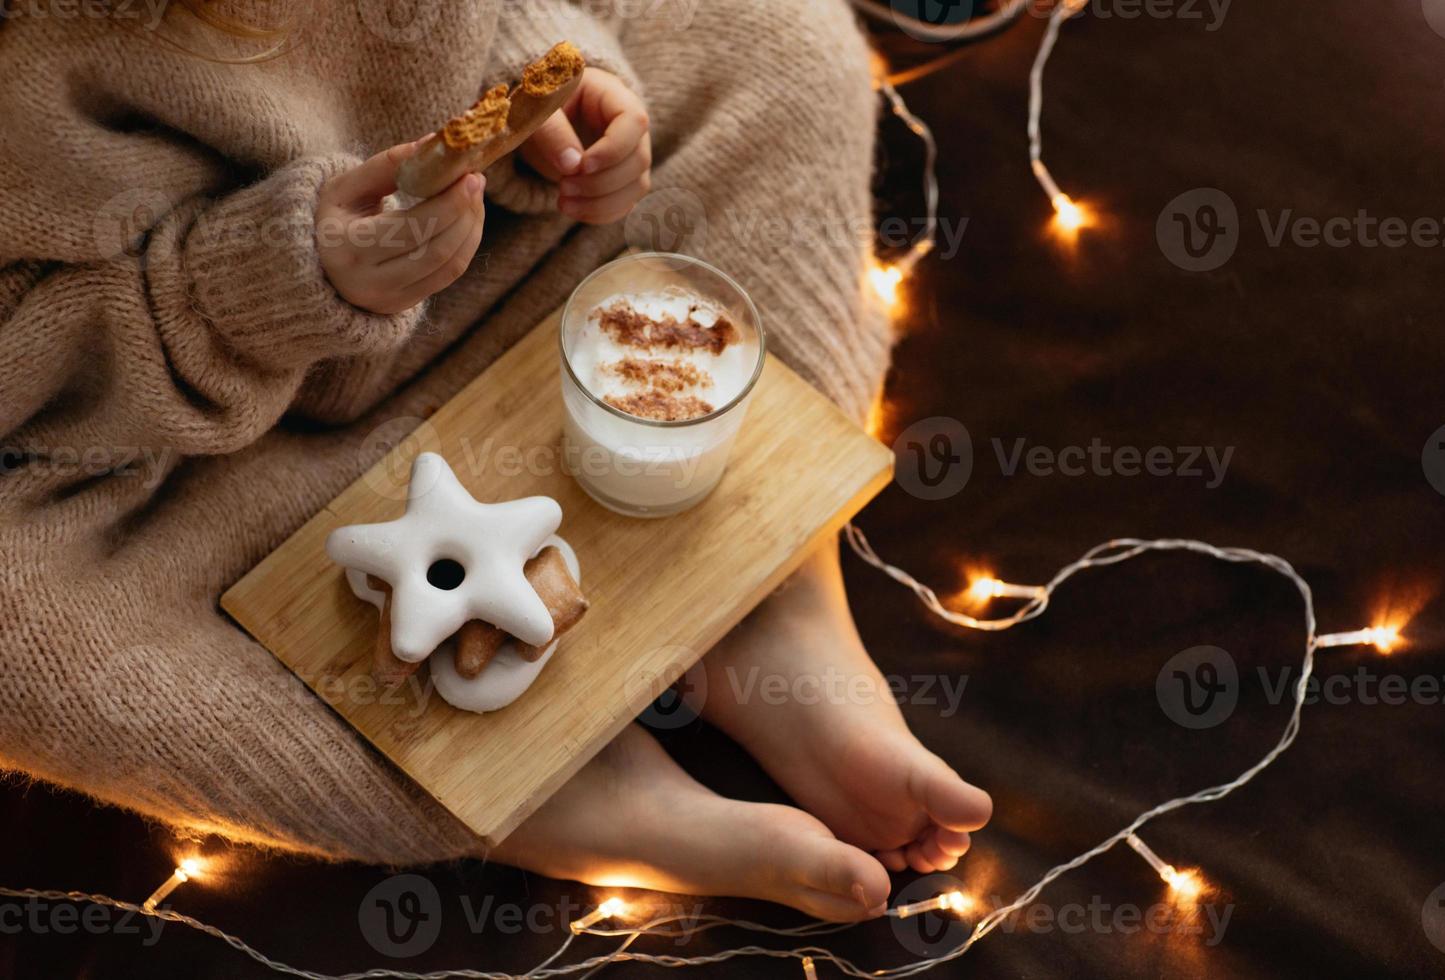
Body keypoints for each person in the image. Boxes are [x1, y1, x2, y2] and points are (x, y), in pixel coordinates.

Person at [0, 0, 989, 922]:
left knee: (783, 35)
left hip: (500, 285)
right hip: (169, 466)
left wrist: (554, 88)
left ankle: (770, 596)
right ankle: (556, 792)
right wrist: (256, 283)